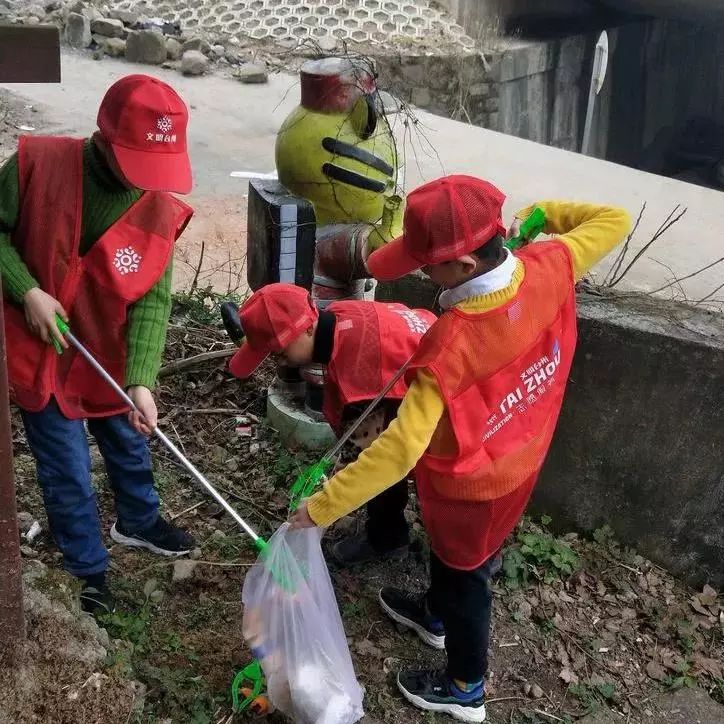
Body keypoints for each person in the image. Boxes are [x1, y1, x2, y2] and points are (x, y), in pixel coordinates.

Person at [289, 175, 632, 722]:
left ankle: (465, 683)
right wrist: (545, 211)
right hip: (523, 457)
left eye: (427, 264)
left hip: (471, 490)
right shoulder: (552, 263)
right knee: (465, 564)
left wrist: (323, 507)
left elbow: (399, 450)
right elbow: (616, 219)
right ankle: (434, 615)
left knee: (466, 574)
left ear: (464, 267)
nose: (423, 272)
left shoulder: (450, 345)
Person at [0, 74, 197, 615]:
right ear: (105, 138)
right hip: (42, 342)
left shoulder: (156, 209)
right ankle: (87, 568)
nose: (146, 183)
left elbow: (153, 302)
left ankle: (138, 519)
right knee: (66, 464)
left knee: (129, 435)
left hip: (105, 347)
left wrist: (141, 380)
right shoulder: (36, 167)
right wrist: (28, 291)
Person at [225, 282, 436, 564]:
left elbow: (364, 459)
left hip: (452, 408)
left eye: (280, 353)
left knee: (390, 469)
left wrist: (318, 509)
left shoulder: (361, 376)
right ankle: (392, 534)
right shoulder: (339, 315)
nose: (278, 362)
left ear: (308, 328)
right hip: (423, 361)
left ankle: (392, 540)